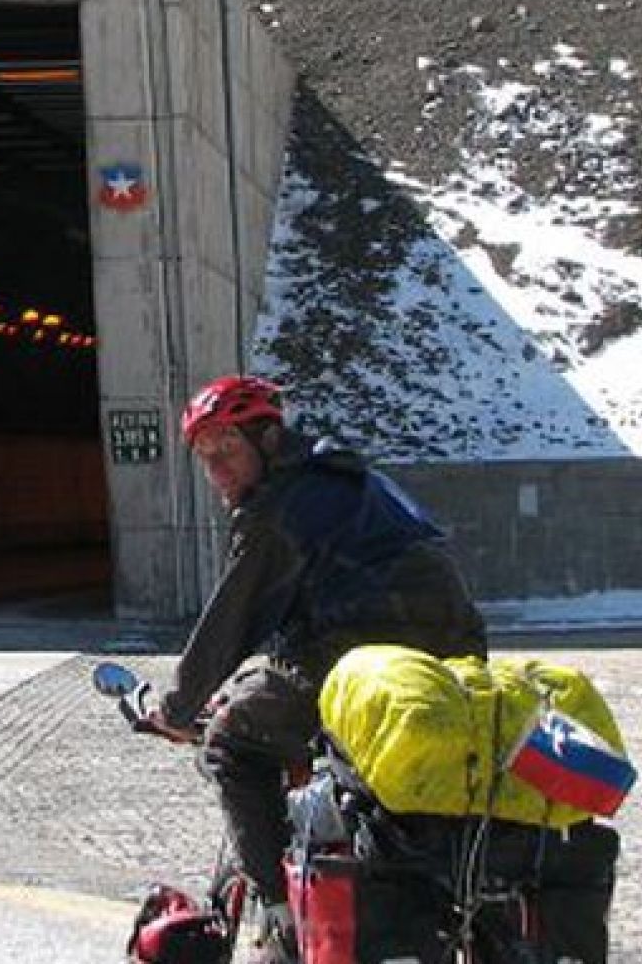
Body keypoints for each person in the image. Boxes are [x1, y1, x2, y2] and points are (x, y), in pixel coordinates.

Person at [141, 374, 488, 964]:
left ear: (268, 438)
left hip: (361, 650)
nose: (217, 469)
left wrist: (176, 709)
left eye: (226, 447)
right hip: (452, 651)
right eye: (204, 457)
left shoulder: (278, 509)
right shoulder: (354, 479)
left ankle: (281, 914)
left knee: (230, 741)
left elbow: (231, 623)